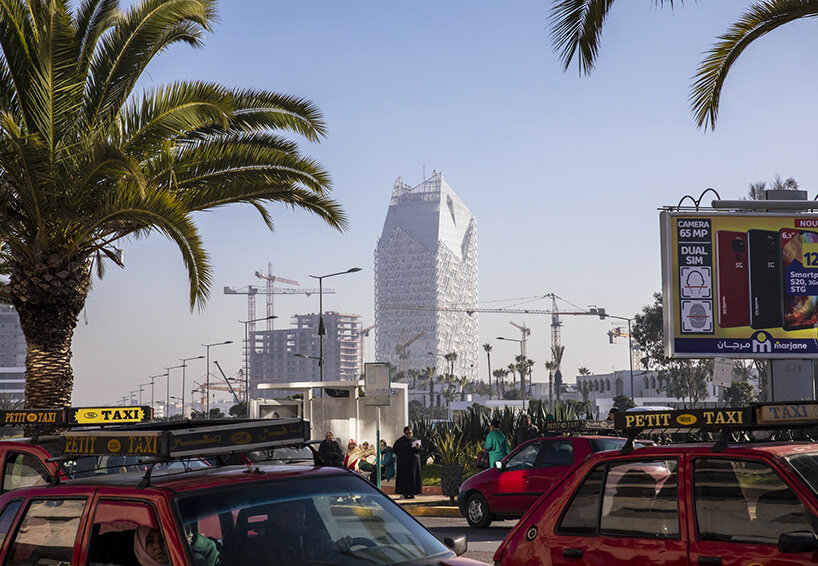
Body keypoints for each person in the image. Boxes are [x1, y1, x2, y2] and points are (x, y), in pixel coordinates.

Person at [242, 500, 352, 565]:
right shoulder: (258, 548)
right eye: (287, 512)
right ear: (273, 516)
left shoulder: (318, 537)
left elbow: (332, 556)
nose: (296, 517)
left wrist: (339, 549)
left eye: (300, 511)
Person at [393, 426, 422, 499]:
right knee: (404, 479)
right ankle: (405, 493)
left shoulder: (415, 441)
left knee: (413, 478)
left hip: (414, 464)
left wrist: (418, 448)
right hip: (404, 464)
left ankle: (412, 493)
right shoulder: (400, 441)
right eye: (407, 433)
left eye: (410, 433)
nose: (409, 435)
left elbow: (421, 450)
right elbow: (395, 450)